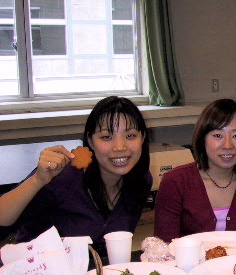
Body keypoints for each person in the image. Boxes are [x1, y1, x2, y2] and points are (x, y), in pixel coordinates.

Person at [0, 96, 151, 256]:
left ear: (143, 137)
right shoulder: (62, 177)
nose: (119, 147)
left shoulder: (140, 181)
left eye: (130, 136)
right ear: (90, 141)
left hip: (96, 269)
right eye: (106, 137)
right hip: (37, 268)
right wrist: (37, 180)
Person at [154, 99, 236, 241]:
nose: (227, 145)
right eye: (218, 135)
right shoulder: (175, 182)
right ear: (203, 139)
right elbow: (163, 244)